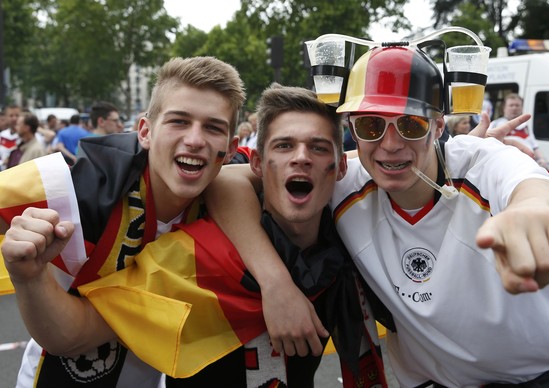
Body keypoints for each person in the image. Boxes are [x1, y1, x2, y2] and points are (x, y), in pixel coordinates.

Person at [206, 44, 549, 386]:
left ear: (437, 127)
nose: (389, 144)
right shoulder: (341, 180)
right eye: (371, 125)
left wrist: (533, 213)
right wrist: (276, 284)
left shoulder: (482, 161)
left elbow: (536, 190)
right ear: (354, 129)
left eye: (410, 124)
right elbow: (226, 183)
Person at [0, 56, 246, 387]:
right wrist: (27, 273)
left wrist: (277, 284)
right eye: (178, 121)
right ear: (145, 131)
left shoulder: (226, 203)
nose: (196, 139)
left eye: (213, 127)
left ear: (230, 149)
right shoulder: (81, 186)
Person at [166, 84, 386, 387]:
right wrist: (277, 283)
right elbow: (102, 320)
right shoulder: (191, 257)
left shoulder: (351, 246)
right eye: (284, 146)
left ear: (340, 167)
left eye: (319, 147)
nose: (302, 158)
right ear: (256, 163)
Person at [490, 93, 548, 168]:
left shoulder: (525, 126)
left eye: (517, 105)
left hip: (527, 165)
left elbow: (535, 147)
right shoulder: (495, 124)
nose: (514, 108)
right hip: (506, 166)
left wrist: (542, 159)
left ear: (522, 107)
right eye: (511, 105)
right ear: (504, 108)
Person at [0, 104, 21, 170]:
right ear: (6, 117)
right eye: (11, 116)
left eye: (17, 115)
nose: (14, 118)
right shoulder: (2, 135)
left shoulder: (26, 136)